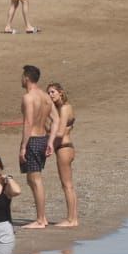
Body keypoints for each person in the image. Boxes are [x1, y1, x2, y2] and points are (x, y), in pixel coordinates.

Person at [19, 64, 57, 228]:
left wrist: (23, 147)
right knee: (31, 178)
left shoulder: (29, 98)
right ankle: (41, 217)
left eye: (22, 76)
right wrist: (50, 141)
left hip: (33, 139)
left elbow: (28, 123)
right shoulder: (46, 97)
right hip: (42, 138)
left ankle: (41, 219)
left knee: (35, 179)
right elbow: (56, 119)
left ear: (27, 78)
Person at [47, 82, 78, 228]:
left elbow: (59, 132)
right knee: (67, 185)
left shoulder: (65, 108)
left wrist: (48, 134)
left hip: (64, 148)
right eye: (49, 93)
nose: (50, 95)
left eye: (53, 92)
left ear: (60, 92)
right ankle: (73, 218)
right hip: (65, 148)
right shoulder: (61, 108)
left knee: (67, 186)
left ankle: (72, 219)